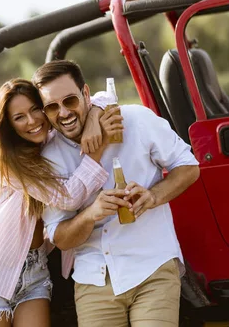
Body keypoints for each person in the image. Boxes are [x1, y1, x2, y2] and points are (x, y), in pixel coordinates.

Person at [31, 60, 200, 327]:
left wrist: (153, 195)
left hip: (153, 265)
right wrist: (90, 214)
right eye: (52, 107)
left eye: (70, 101)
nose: (63, 113)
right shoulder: (49, 158)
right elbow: (61, 238)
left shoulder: (136, 119)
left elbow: (188, 167)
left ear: (86, 94)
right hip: (93, 277)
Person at [0, 78, 124, 327]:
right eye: (19, 117)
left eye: (35, 109)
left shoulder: (48, 142)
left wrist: (94, 117)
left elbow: (105, 96)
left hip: (34, 271)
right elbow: (67, 198)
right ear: (9, 125)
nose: (32, 121)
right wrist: (97, 149)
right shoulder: (6, 162)